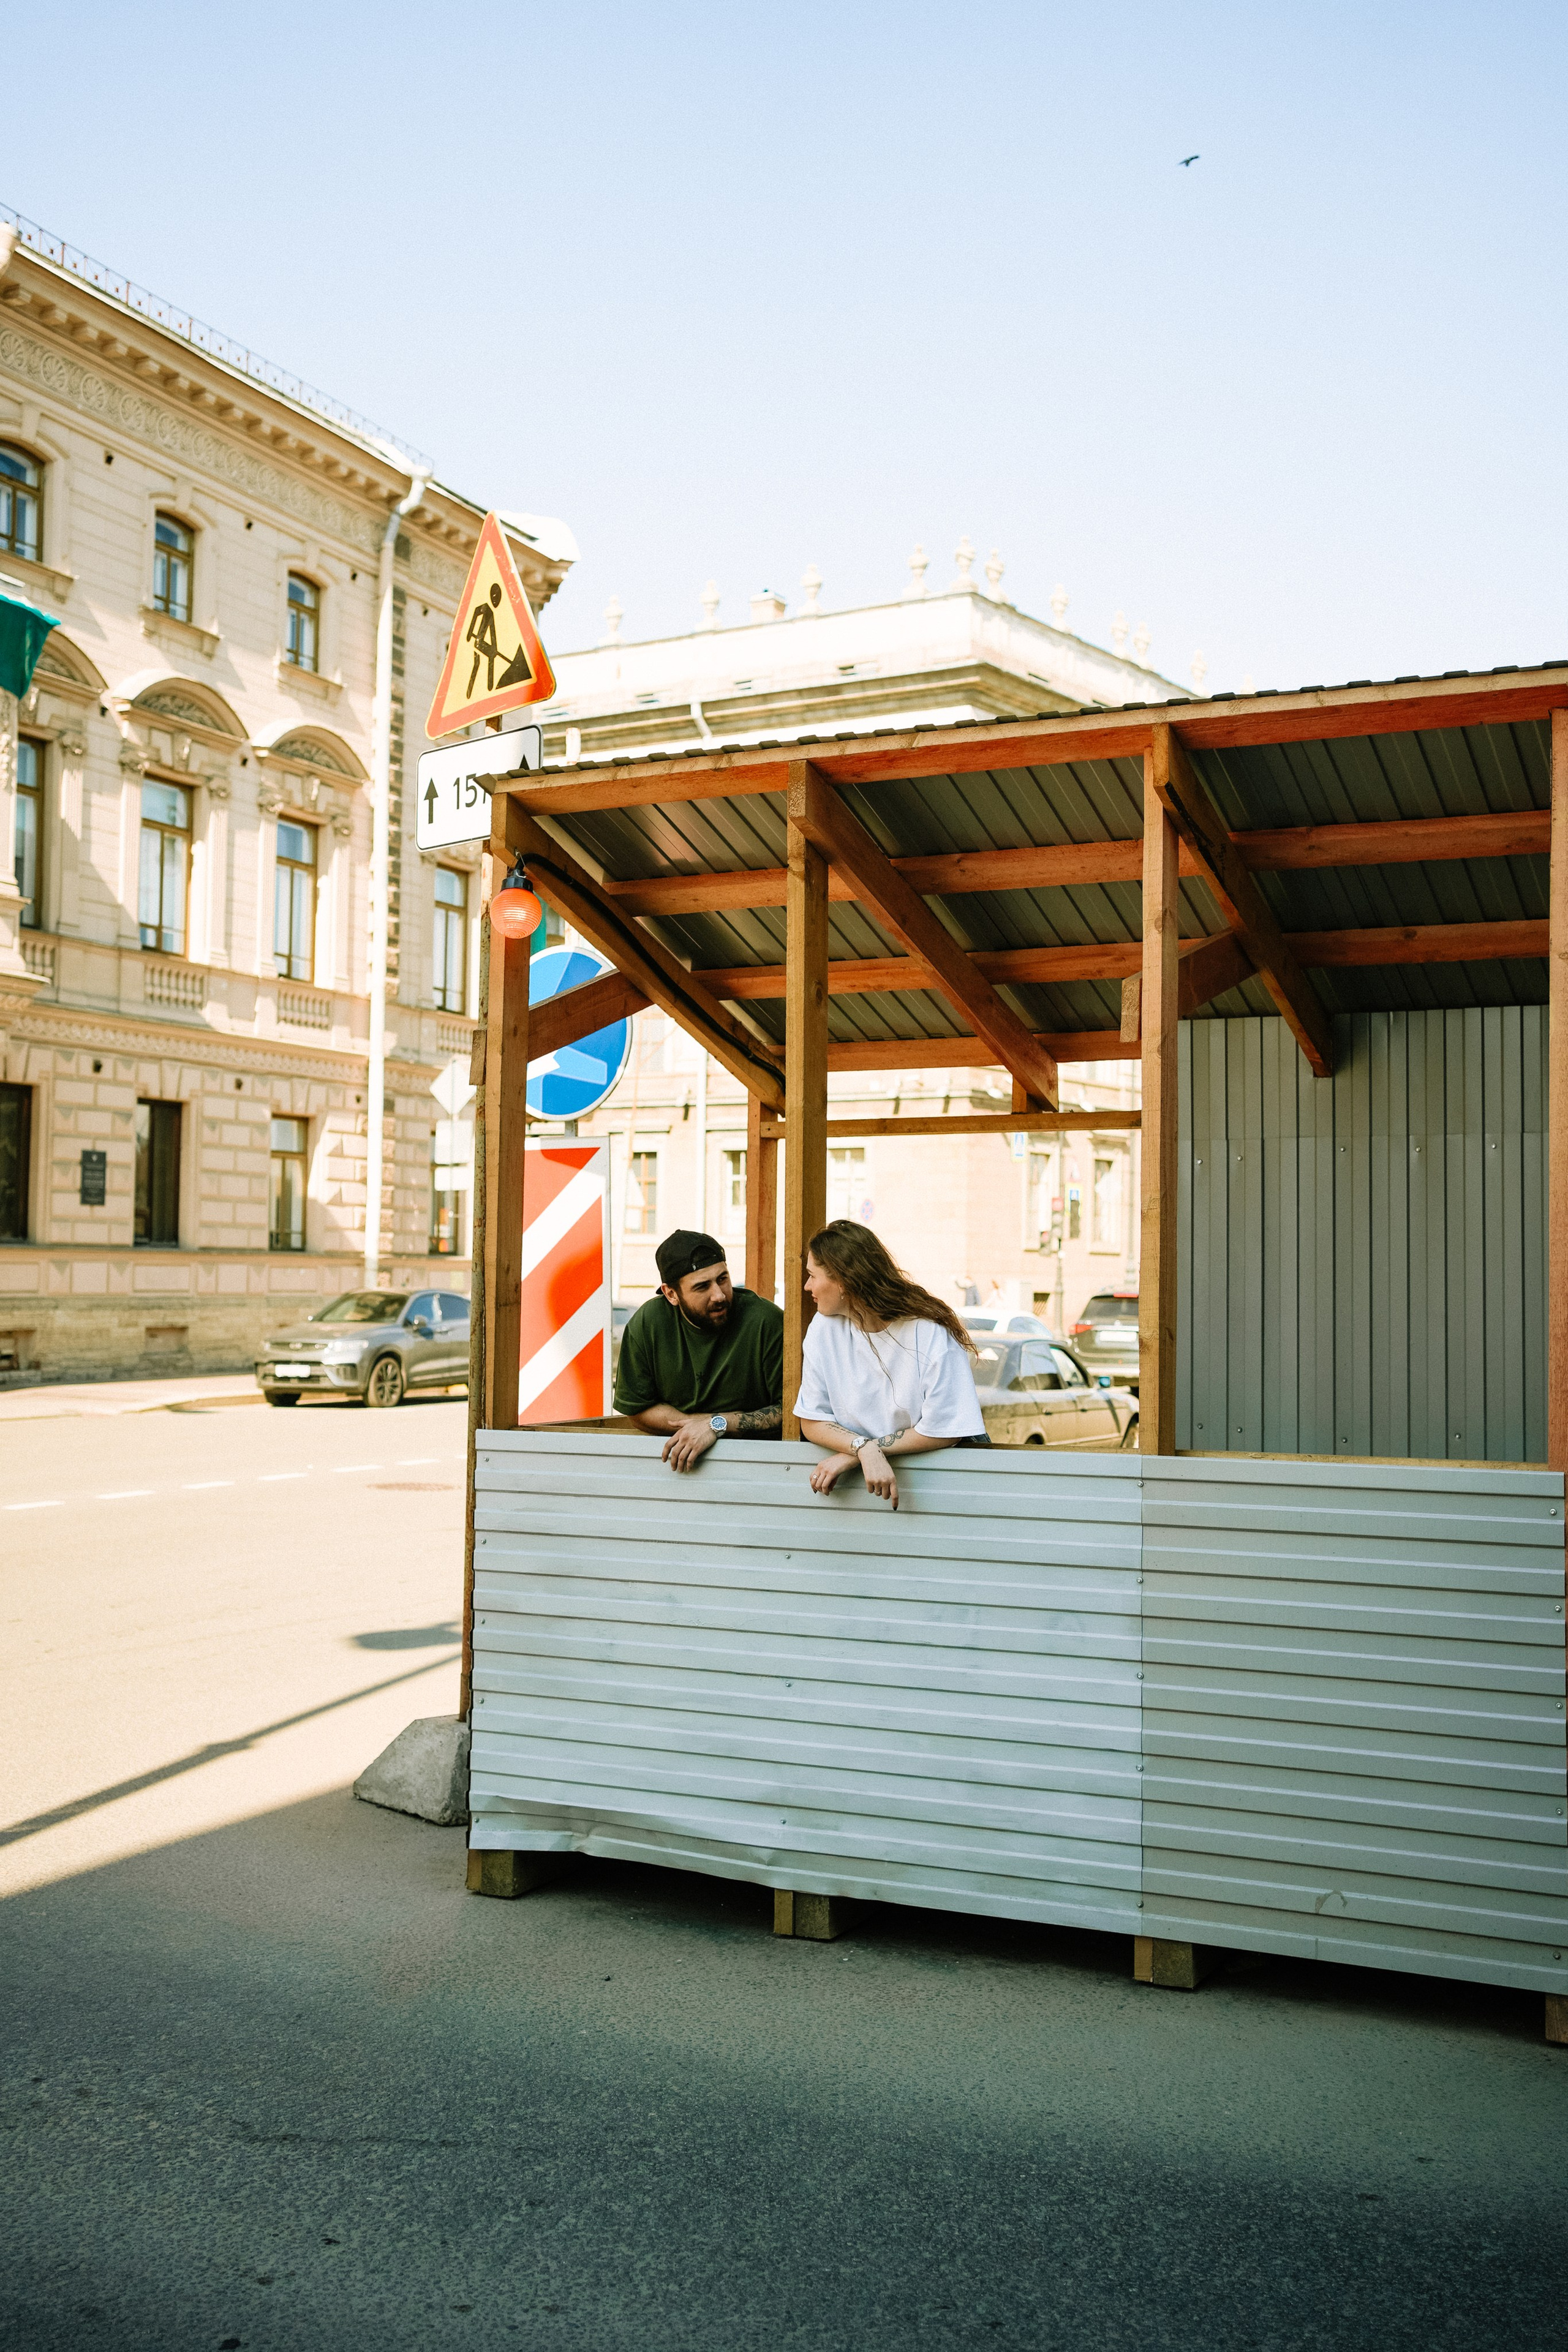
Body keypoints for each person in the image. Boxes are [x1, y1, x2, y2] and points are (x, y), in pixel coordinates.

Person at [794, 1220, 987, 1510]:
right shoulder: (824, 1328)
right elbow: (811, 1420)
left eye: (812, 1275)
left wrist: (861, 1452)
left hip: (945, 1484)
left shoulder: (928, 1331)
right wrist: (863, 1448)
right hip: (861, 1496)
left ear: (844, 1281)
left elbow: (946, 1430)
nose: (807, 1286)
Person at [614, 1228, 785, 1471]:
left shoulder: (766, 1321)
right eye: (702, 1287)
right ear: (671, 1294)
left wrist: (717, 1425)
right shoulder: (648, 1324)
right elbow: (638, 1410)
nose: (719, 1295)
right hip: (676, 1468)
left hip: (761, 1466)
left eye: (723, 1279)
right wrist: (702, 1426)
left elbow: (792, 1412)